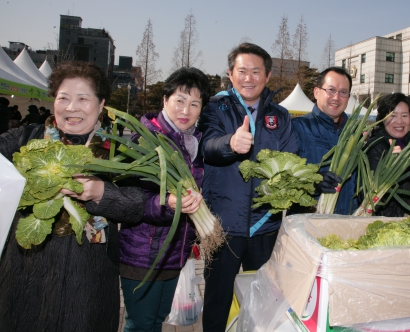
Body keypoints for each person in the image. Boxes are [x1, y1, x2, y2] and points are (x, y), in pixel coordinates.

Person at [0, 61, 145, 332]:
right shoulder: (25, 140)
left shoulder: (119, 152)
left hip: (89, 282)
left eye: (83, 98)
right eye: (63, 98)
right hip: (25, 274)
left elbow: (138, 204)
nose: (71, 107)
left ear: (101, 104)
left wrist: (103, 192)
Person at [199, 43, 297, 332]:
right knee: (217, 301)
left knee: (264, 302)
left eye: (256, 71)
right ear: (230, 74)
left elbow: (291, 159)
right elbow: (206, 147)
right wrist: (230, 143)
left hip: (264, 226)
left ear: (267, 76)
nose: (249, 78)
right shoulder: (215, 108)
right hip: (222, 227)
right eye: (242, 71)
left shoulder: (280, 116)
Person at [119, 67, 211, 331]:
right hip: (143, 254)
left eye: (194, 104)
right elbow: (129, 198)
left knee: (156, 321)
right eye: (180, 101)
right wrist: (168, 202)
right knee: (140, 324)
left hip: (175, 253)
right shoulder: (143, 140)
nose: (186, 110)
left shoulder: (194, 144)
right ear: (165, 100)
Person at [292, 67, 358, 215]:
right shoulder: (297, 128)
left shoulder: (355, 133)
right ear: (316, 92)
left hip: (347, 221)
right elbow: (285, 177)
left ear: (348, 97)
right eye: (331, 90)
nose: (336, 97)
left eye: (343, 92)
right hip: (308, 221)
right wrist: (313, 181)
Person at [365, 93, 410, 216]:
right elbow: (369, 194)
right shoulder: (375, 146)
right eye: (392, 115)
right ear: (383, 119)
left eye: (404, 115)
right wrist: (390, 166)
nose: (399, 121)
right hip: (384, 220)